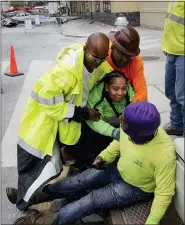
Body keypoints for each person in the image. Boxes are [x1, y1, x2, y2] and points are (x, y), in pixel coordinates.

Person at [13, 102, 176, 225]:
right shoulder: (132, 126)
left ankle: (41, 222)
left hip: (135, 188)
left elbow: (164, 193)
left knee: (90, 200)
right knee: (78, 181)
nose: (122, 126)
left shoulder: (164, 154)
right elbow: (119, 142)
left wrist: (152, 222)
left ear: (138, 134)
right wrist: (104, 157)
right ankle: (30, 196)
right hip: (117, 168)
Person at [6, 32, 110, 212]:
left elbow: (106, 73)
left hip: (65, 122)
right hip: (43, 123)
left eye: (102, 59)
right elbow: (48, 103)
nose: (97, 62)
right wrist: (83, 113)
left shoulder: (97, 64)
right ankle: (24, 200)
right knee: (38, 163)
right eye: (94, 58)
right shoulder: (65, 71)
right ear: (85, 49)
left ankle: (26, 196)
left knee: (53, 163)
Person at [65, 70, 135, 170]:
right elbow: (93, 121)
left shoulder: (130, 92)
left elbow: (138, 109)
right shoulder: (96, 96)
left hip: (118, 125)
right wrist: (113, 132)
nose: (120, 93)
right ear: (106, 87)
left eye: (124, 89)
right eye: (115, 89)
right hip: (98, 128)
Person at [90, 26, 147, 103]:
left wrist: (130, 111)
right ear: (113, 49)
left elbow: (141, 93)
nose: (125, 59)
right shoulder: (103, 57)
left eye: (129, 56)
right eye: (122, 54)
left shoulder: (136, 61)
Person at [162, 1, 184, 136]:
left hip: (183, 53)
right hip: (171, 51)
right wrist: (165, 45)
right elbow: (170, 24)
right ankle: (177, 125)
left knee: (182, 95)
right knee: (171, 92)